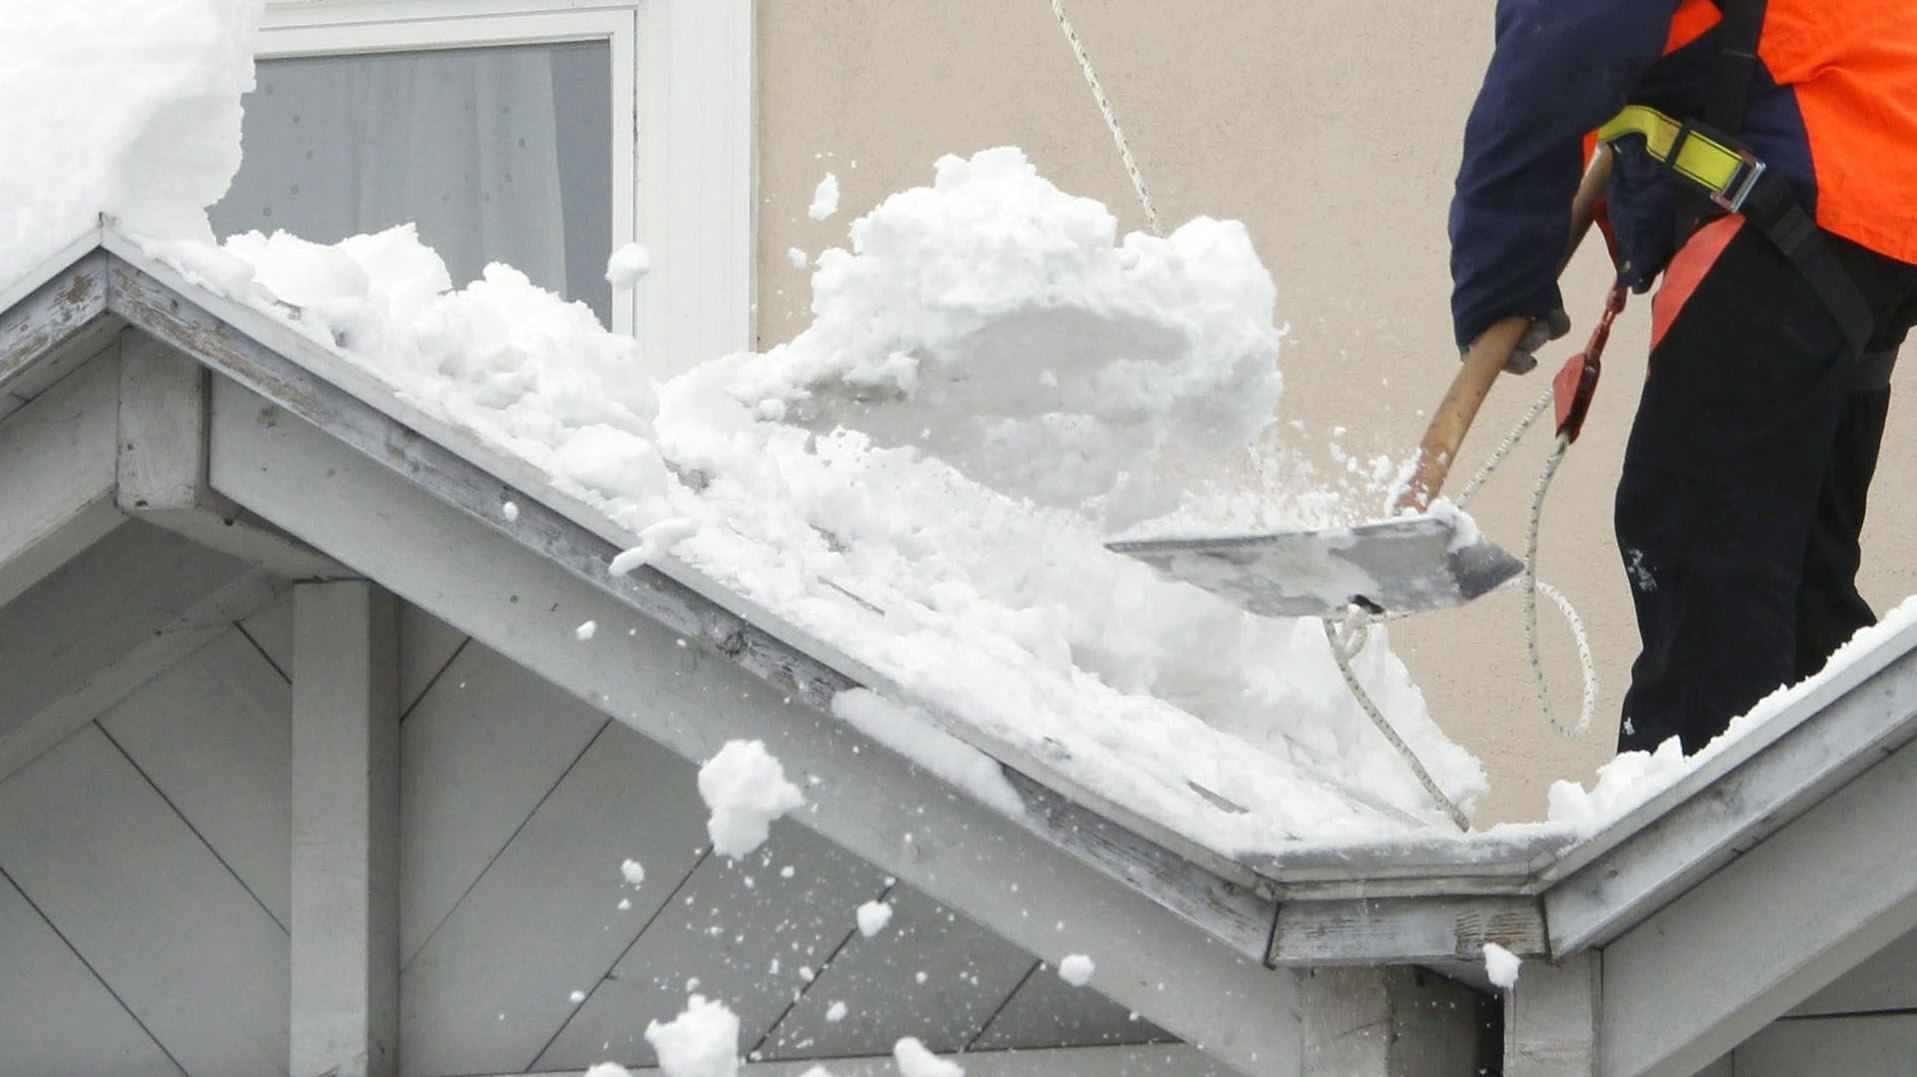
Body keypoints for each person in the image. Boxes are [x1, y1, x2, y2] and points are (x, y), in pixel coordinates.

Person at [1448, 0, 1917, 754]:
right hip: (1879, 206)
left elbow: (1554, 63)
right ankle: (1859, 832)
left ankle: (1702, 824)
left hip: (1792, 201)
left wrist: (1495, 280)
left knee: (1699, 540)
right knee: (1799, 574)